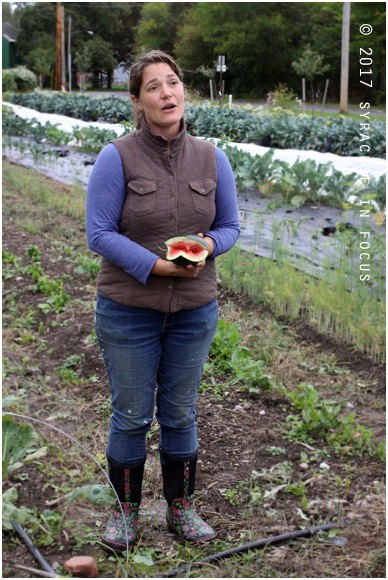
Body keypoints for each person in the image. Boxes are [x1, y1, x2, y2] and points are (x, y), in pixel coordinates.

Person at [86, 49, 240, 553]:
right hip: (129, 310)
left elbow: (230, 226)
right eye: (153, 87)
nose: (166, 93)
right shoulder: (118, 157)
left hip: (194, 311)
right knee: (131, 414)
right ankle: (125, 514)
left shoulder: (213, 157)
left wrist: (208, 247)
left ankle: (181, 510)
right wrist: (158, 266)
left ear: (184, 91)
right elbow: (100, 234)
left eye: (172, 82)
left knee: (180, 413)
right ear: (137, 100)